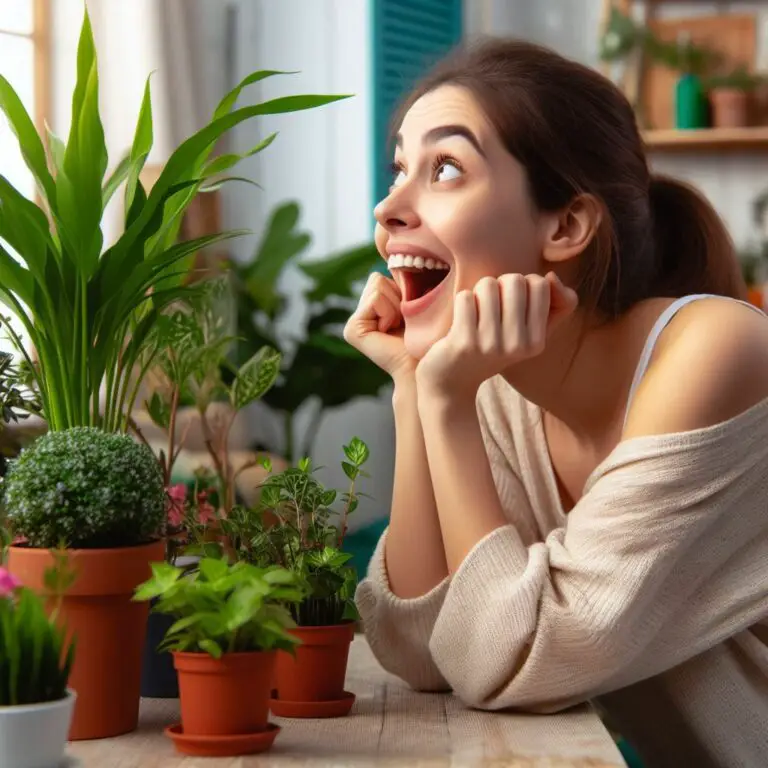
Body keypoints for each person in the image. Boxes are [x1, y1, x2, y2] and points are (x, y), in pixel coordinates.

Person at [344, 38, 768, 768]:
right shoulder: (503, 387)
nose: (389, 208)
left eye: (444, 168)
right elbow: (422, 652)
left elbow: (516, 661)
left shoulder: (715, 349)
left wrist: (447, 403)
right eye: (400, 170)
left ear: (566, 226)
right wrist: (418, 390)